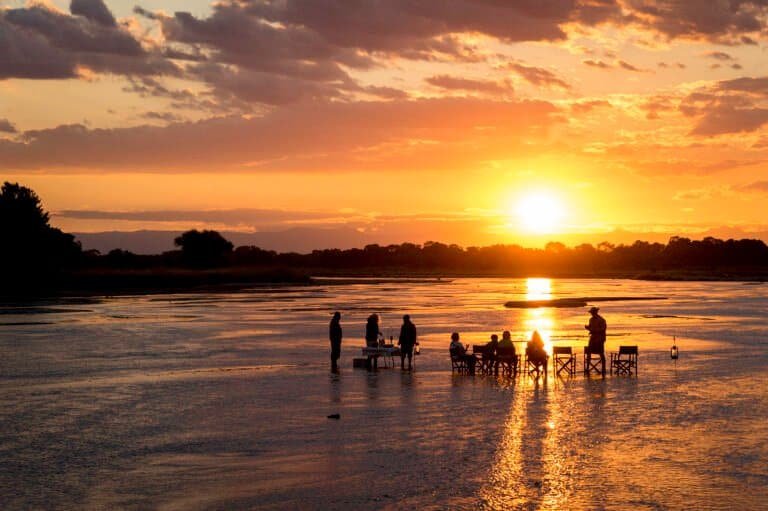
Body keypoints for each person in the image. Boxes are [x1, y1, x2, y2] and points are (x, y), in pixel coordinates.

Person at [585, 306, 607, 375]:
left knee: (601, 353)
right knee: (588, 353)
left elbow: (603, 329)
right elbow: (591, 328)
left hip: (600, 339)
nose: (591, 313)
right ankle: (587, 368)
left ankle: (603, 369)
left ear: (595, 312)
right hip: (593, 338)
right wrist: (588, 328)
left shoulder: (601, 320)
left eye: (592, 312)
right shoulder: (591, 319)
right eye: (591, 312)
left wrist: (594, 330)